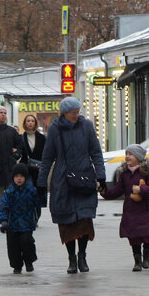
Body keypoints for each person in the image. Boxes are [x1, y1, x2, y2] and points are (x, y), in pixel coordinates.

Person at [38, 96, 106, 274]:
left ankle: (82, 255)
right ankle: (71, 259)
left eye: (78, 112)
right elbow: (47, 158)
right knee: (66, 220)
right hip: (62, 180)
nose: (77, 115)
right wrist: (41, 183)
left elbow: (96, 152)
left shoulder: (87, 126)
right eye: (73, 113)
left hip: (84, 177)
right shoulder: (55, 129)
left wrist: (101, 176)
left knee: (84, 218)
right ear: (64, 113)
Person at [101, 144, 149, 271]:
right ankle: (137, 261)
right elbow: (117, 190)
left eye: (130, 154)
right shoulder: (124, 174)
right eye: (126, 154)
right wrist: (104, 192)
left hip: (145, 209)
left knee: (148, 235)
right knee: (133, 237)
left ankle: (147, 254)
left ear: (138, 157)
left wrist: (141, 189)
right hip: (130, 210)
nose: (127, 156)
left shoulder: (147, 173)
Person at [0, 162, 41, 274]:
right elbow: (3, 207)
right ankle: (17, 266)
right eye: (17, 176)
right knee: (13, 247)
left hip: (27, 223)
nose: (19, 179)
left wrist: (35, 218)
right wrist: (3, 221)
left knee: (26, 242)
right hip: (12, 224)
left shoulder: (31, 191)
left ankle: (29, 261)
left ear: (25, 177)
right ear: (13, 178)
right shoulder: (9, 192)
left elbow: (37, 205)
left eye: (21, 176)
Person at [17, 113, 46, 202]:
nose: (30, 123)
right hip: (26, 169)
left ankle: (36, 214)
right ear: (25, 123)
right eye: (28, 121)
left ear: (35, 123)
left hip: (39, 169)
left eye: (32, 121)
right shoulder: (21, 137)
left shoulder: (42, 137)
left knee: (39, 195)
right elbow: (19, 152)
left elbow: (45, 153)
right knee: (28, 194)